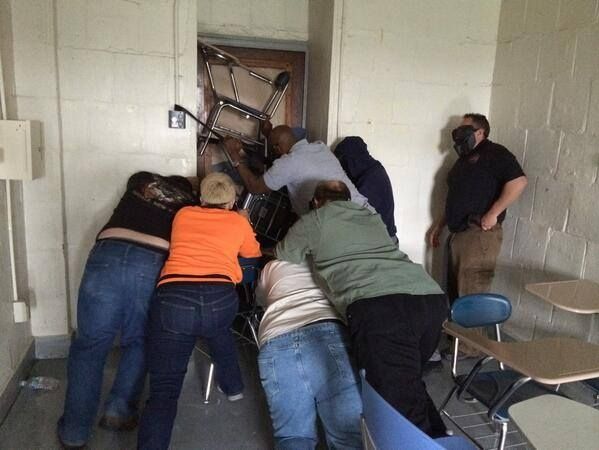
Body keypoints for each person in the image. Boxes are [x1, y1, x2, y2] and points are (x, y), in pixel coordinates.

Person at [275, 180, 448, 437]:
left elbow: (284, 253)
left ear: (316, 202)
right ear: (348, 200)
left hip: (380, 308)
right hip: (429, 298)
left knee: (398, 405)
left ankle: (418, 441)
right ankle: (439, 439)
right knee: (407, 384)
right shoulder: (371, 217)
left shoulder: (316, 219)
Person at [58, 172, 196, 449]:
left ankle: (74, 432)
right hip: (153, 260)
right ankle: (118, 413)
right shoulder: (189, 207)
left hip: (108, 253)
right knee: (140, 341)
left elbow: (137, 176)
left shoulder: (141, 182)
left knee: (89, 346)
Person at [137, 172, 261, 450]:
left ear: (202, 198)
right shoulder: (237, 221)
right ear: (231, 201)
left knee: (164, 390)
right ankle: (233, 388)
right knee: (218, 331)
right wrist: (243, 221)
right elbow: (252, 254)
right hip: (220, 298)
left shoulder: (183, 214)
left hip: (174, 297)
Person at [427, 113, 527, 356]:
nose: (458, 134)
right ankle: (459, 342)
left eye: (465, 129)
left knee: (472, 291)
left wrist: (493, 213)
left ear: (480, 132)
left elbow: (519, 181)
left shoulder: (495, 153)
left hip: (479, 234)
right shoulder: (462, 161)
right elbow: (455, 198)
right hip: (459, 233)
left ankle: (471, 352)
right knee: (457, 291)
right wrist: (439, 225)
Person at [256, 259, 362, 449]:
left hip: (277, 337)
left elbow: (261, 300)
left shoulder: (271, 266)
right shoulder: (327, 258)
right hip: (329, 332)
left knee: (293, 437)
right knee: (347, 435)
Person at [223, 126, 371, 216]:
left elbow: (255, 187)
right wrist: (270, 133)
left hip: (345, 224)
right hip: (366, 213)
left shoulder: (288, 163)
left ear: (277, 148)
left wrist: (234, 155)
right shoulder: (320, 147)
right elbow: (285, 149)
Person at [334, 136, 397, 238]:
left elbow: (355, 212)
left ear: (352, 160)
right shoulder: (371, 171)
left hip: (382, 243)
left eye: (345, 162)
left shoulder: (372, 177)